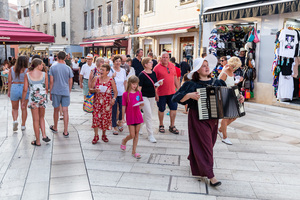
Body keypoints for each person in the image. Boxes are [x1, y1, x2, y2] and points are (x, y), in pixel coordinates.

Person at [172, 55, 226, 187]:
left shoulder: (218, 83)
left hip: (214, 118)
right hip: (197, 117)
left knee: (209, 143)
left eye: (207, 65)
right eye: (203, 65)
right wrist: (189, 95)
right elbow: (176, 98)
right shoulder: (191, 84)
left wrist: (239, 98)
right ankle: (211, 175)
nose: (207, 67)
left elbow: (228, 97)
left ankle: (194, 157)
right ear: (197, 70)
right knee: (206, 145)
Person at [22, 58, 50, 146]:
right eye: (42, 64)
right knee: (42, 117)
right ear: (38, 65)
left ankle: (37, 141)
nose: (43, 66)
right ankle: (44, 135)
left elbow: (25, 89)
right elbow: (46, 88)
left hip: (33, 98)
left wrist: (23, 101)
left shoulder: (27, 75)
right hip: (42, 97)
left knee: (35, 120)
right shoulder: (44, 74)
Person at [90, 63, 117, 144]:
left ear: (107, 72)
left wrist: (114, 99)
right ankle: (96, 135)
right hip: (97, 102)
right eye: (100, 69)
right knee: (96, 118)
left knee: (105, 118)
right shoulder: (96, 78)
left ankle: (104, 135)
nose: (101, 71)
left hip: (107, 103)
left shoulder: (111, 80)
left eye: (103, 70)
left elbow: (115, 92)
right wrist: (95, 90)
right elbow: (90, 89)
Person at [218, 56, 243, 145]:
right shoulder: (225, 72)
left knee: (235, 115)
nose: (235, 69)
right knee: (225, 118)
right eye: (234, 67)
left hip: (231, 96)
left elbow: (230, 83)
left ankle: (221, 129)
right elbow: (219, 85)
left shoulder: (231, 71)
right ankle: (224, 137)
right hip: (224, 97)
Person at [153, 52, 180, 134]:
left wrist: (178, 89)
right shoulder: (156, 68)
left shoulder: (172, 66)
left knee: (174, 109)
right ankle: (161, 125)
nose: (165, 59)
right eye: (163, 57)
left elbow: (175, 77)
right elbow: (154, 82)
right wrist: (156, 94)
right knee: (161, 109)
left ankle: (172, 126)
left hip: (172, 92)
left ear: (169, 58)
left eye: (166, 57)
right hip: (161, 93)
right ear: (160, 58)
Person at [49, 51, 74, 137]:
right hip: (65, 90)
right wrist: (69, 89)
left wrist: (50, 91)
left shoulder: (53, 67)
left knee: (56, 110)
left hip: (56, 90)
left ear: (57, 57)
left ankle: (55, 127)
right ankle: (66, 131)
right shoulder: (68, 68)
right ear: (65, 58)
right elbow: (71, 80)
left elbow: (51, 81)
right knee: (65, 111)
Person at [120, 75, 144, 159]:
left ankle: (134, 151)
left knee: (137, 134)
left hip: (138, 115)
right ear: (129, 84)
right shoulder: (125, 94)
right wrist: (123, 117)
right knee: (132, 135)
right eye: (133, 84)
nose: (135, 86)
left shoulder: (139, 93)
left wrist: (141, 104)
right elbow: (123, 106)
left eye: (136, 84)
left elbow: (141, 103)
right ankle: (124, 140)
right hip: (130, 116)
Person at [138, 57, 159, 143]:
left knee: (147, 114)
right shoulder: (142, 75)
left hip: (152, 96)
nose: (152, 63)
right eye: (150, 62)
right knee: (149, 115)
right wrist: (139, 100)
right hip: (144, 97)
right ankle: (150, 134)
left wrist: (157, 94)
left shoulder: (153, 73)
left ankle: (139, 126)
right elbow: (139, 89)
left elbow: (154, 85)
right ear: (145, 64)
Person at [7, 56, 30, 131]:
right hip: (24, 88)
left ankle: (15, 121)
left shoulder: (12, 69)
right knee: (24, 108)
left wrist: (9, 90)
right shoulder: (27, 70)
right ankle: (23, 125)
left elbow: (10, 80)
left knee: (14, 108)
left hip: (14, 87)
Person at [109, 55, 127, 135]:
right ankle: (114, 125)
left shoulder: (123, 70)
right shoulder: (111, 70)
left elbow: (125, 81)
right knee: (114, 109)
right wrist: (112, 77)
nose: (118, 63)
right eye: (116, 61)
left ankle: (120, 122)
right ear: (113, 62)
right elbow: (108, 81)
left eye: (119, 61)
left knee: (121, 108)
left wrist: (126, 91)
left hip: (122, 92)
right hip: (113, 93)